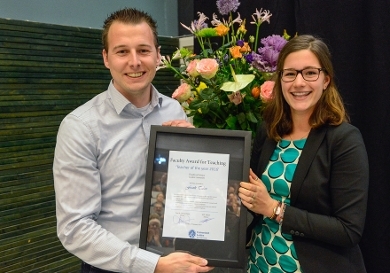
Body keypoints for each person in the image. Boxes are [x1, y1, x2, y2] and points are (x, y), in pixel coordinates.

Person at [53, 7, 213, 273]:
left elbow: (186, 189)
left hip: (178, 259)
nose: (135, 61)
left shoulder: (175, 110)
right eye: (122, 51)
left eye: (143, 50)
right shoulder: (80, 127)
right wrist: (153, 266)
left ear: (158, 55)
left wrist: (194, 149)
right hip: (113, 267)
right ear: (106, 58)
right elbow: (75, 227)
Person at [238, 35, 369, 273]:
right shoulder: (269, 131)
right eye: (290, 73)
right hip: (259, 263)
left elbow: (349, 230)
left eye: (310, 73)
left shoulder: (344, 140)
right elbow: (253, 200)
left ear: (326, 80)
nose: (299, 82)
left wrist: (275, 209)